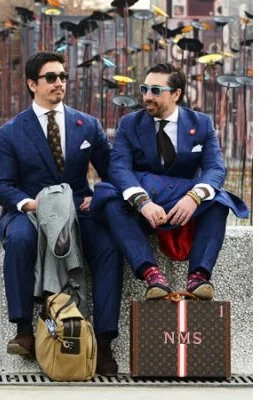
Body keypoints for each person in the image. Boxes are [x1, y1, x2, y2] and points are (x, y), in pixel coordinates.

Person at [0, 51, 123, 375]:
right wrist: (30, 204)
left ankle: (104, 342)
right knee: (19, 240)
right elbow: (0, 186)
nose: (59, 83)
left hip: (78, 209)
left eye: (63, 76)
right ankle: (23, 330)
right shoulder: (10, 132)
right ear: (32, 84)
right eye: (51, 77)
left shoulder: (87, 125)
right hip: (32, 210)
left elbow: (114, 172)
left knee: (108, 248)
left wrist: (99, 196)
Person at [95, 63, 248, 300]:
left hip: (183, 205)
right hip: (144, 208)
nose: (147, 96)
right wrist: (142, 202)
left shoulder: (201, 123)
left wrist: (194, 198)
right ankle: (152, 275)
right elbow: (118, 168)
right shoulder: (129, 124)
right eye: (145, 89)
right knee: (109, 200)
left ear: (176, 94)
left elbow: (215, 168)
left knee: (219, 201)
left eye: (156, 90)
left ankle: (199, 277)